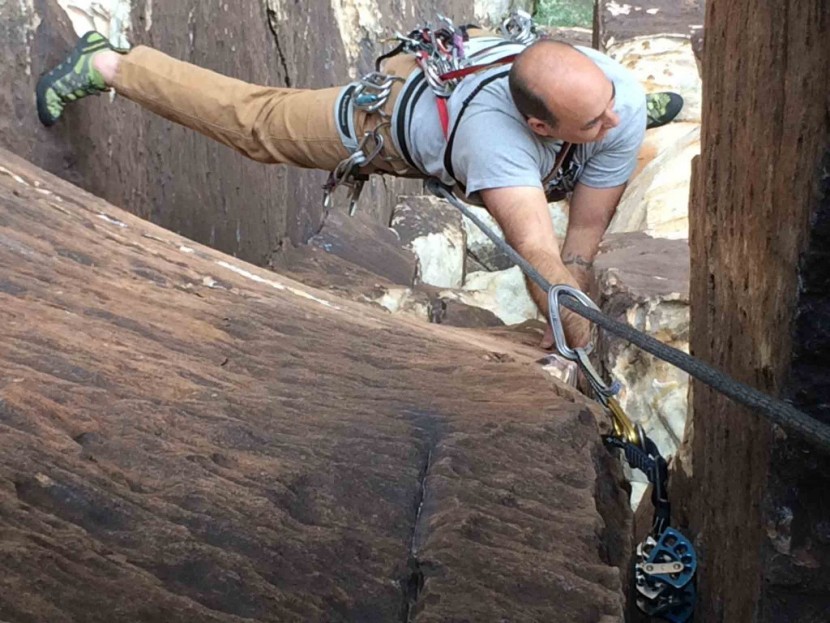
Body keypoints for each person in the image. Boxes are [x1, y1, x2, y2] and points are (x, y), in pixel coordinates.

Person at [36, 26, 682, 349]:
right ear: (541, 124)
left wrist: (574, 312)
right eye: (591, 120)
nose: (614, 122)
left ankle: (607, 128)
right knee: (256, 123)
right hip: (389, 117)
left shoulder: (615, 97)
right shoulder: (500, 144)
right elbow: (539, 250)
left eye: (608, 108)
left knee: (617, 143)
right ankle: (109, 63)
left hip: (479, 97)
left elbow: (587, 233)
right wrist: (565, 306)